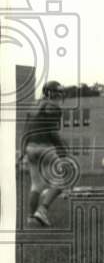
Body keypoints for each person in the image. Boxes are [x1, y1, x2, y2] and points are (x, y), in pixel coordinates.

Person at [21, 80, 69, 226]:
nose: (59, 95)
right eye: (58, 92)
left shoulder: (33, 106)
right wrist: (62, 150)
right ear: (51, 93)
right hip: (45, 148)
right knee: (61, 181)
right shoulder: (53, 107)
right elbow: (52, 132)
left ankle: (30, 218)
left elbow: (26, 131)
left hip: (30, 148)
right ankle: (42, 210)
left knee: (36, 185)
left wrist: (22, 150)